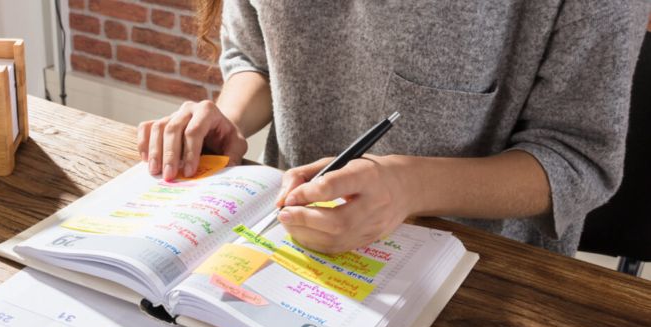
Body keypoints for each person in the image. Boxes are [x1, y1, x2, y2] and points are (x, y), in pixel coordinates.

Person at [136, 1, 649, 255]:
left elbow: (577, 158)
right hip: (290, 244)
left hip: (477, 276)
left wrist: (408, 186)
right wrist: (230, 117)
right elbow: (257, 55)